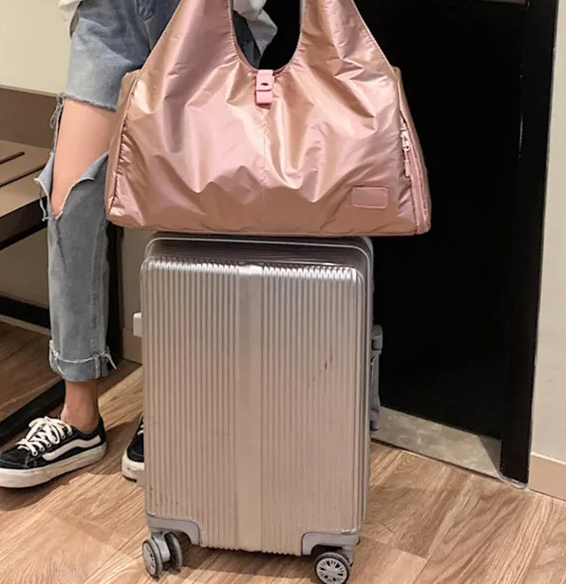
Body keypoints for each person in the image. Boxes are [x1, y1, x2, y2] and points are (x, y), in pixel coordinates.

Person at [0, 0, 276, 489]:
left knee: (192, 209)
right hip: (109, 15)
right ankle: (79, 418)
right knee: (72, 203)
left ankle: (175, 404)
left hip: (204, 12)